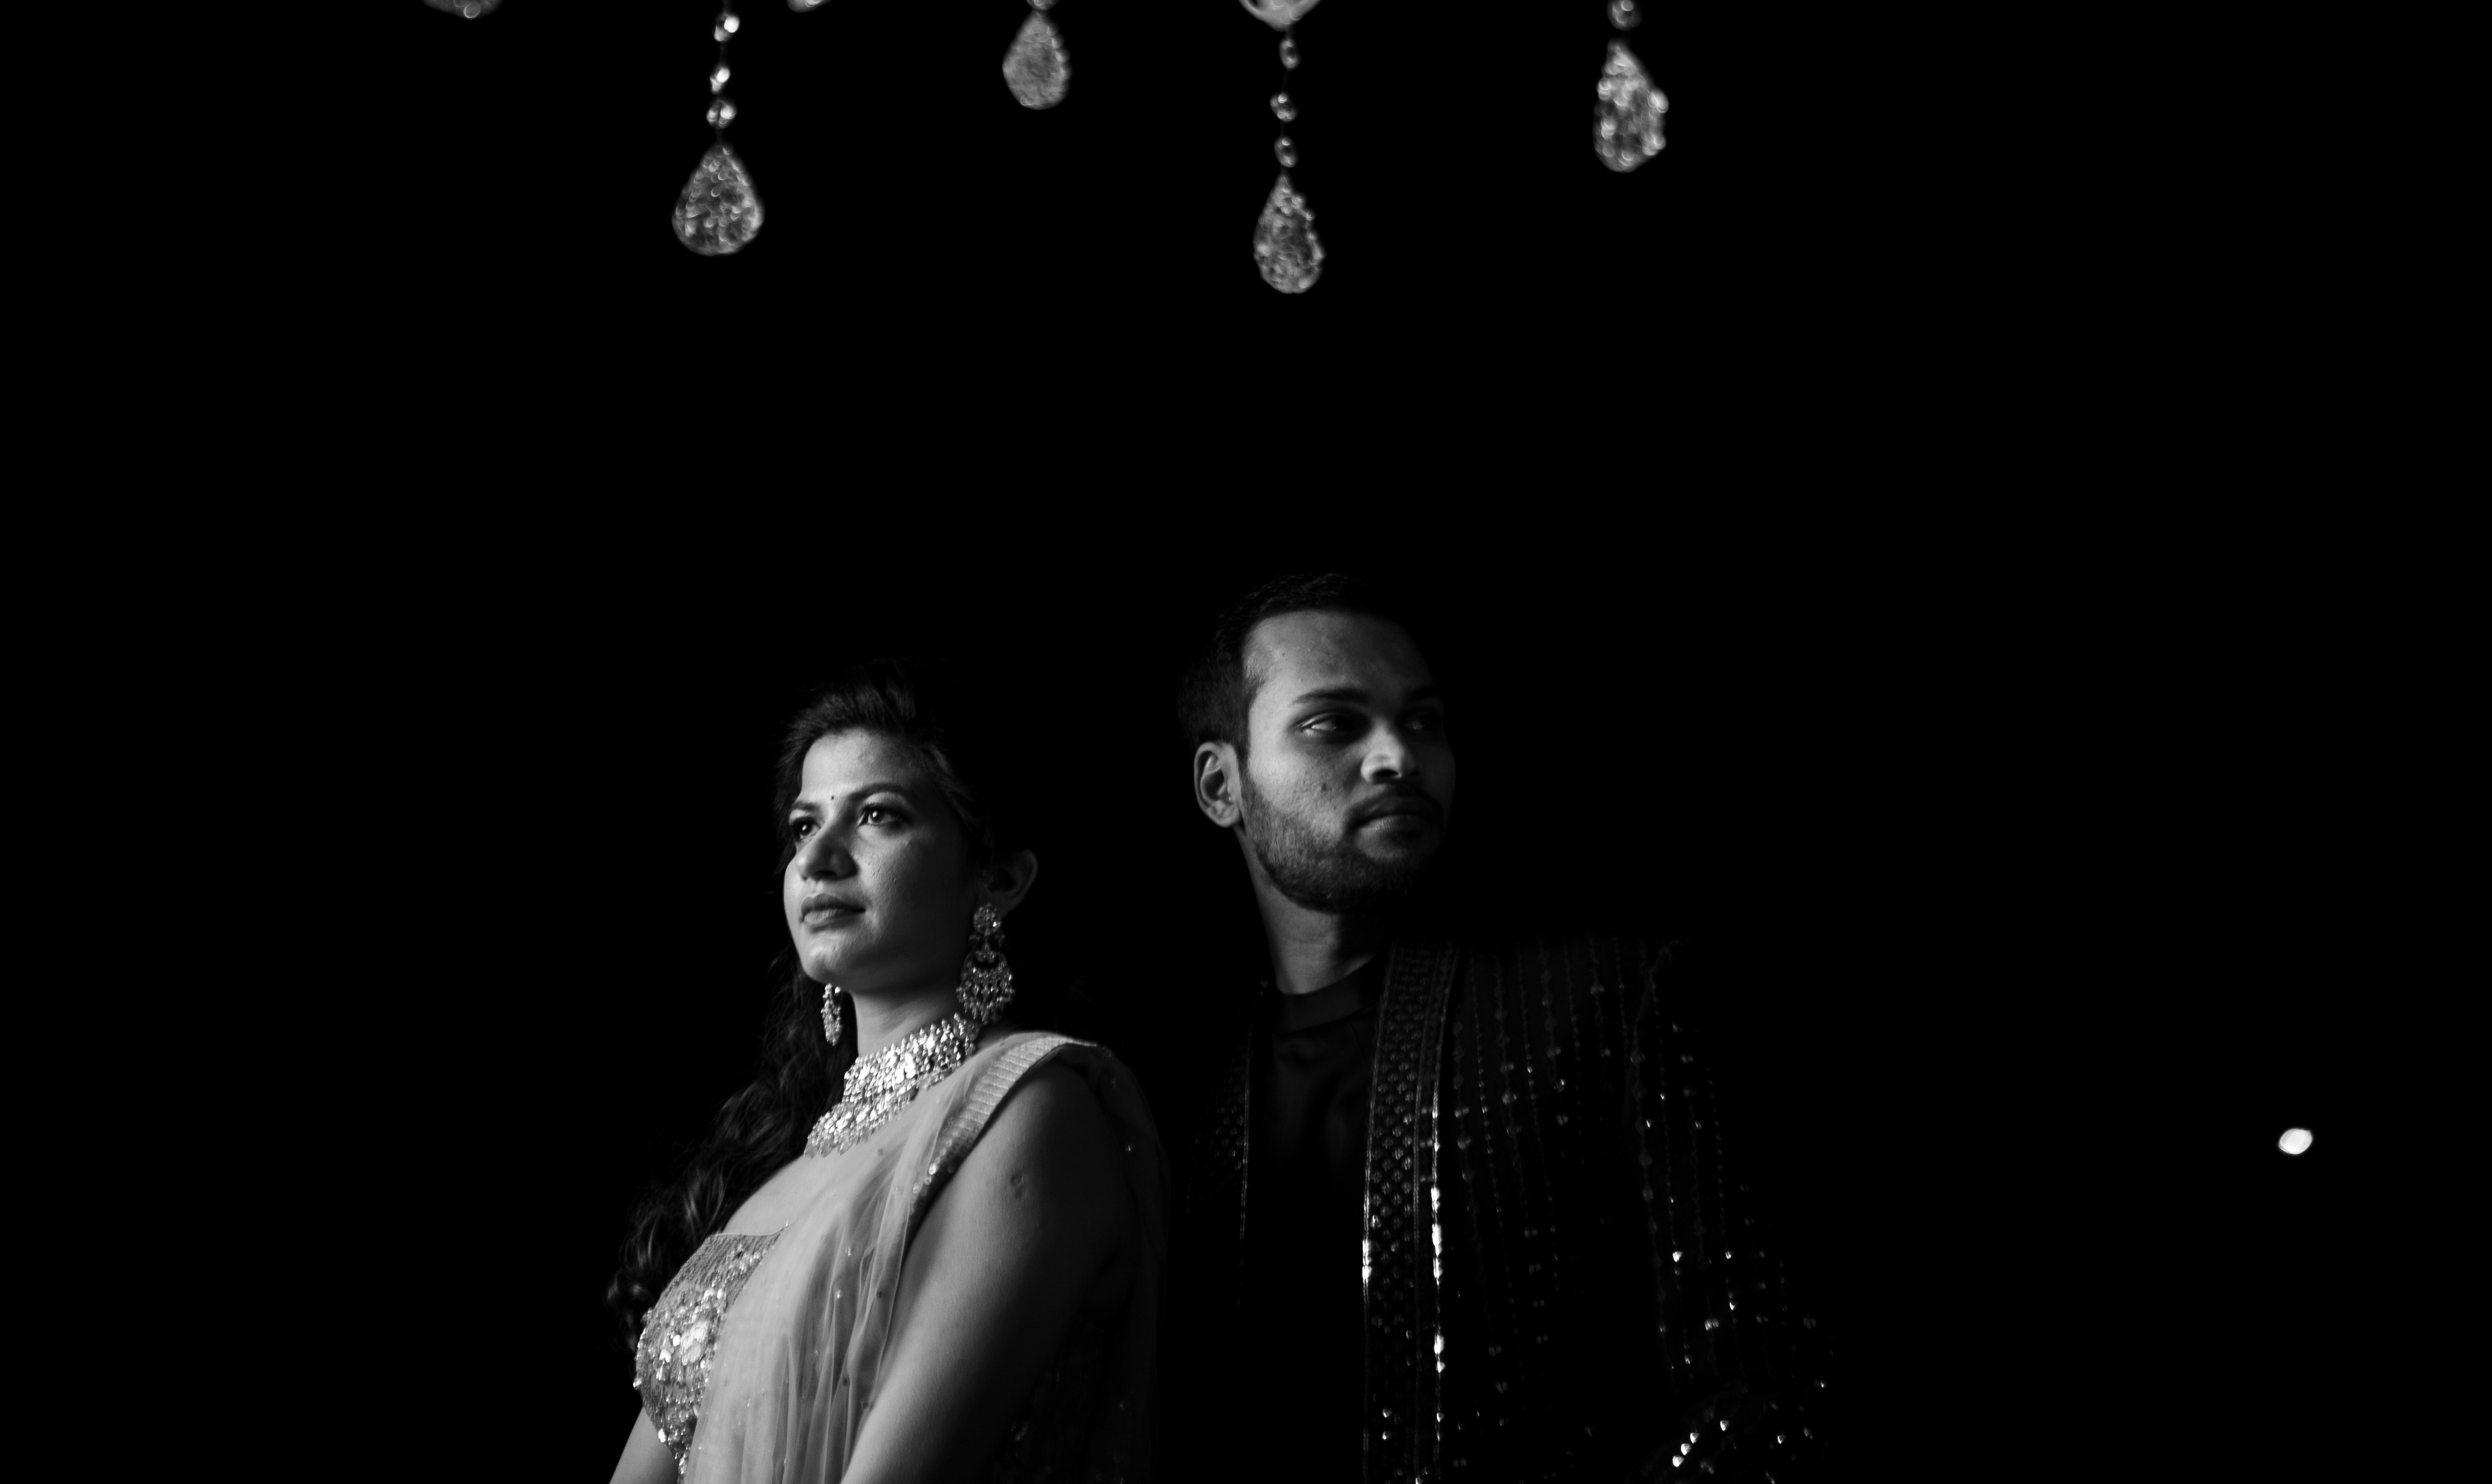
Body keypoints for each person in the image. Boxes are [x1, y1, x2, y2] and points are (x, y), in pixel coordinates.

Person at [1162, 575, 1824, 1482]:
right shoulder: (1168, 1069)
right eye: (1333, 724)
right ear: (1220, 785)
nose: (1398, 755)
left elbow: (1764, 1393)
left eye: (1425, 720)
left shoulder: (1611, 996)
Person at [605, 668, 1164, 1484]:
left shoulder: (1034, 1110)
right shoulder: (789, 1166)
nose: (819, 859)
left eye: (877, 816)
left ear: (998, 879)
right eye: (802, 828)